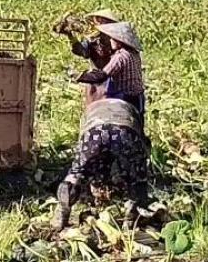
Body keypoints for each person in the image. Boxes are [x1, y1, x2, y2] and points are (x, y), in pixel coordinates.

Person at [52, 93, 149, 230]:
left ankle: (62, 212)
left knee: (76, 174)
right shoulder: (132, 109)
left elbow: (95, 159)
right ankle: (131, 217)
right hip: (125, 131)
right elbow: (142, 145)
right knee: (137, 176)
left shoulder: (91, 108)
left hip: (94, 132)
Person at [72, 20, 146, 121]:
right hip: (138, 98)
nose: (110, 41)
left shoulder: (120, 57)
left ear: (119, 41)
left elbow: (102, 76)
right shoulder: (134, 54)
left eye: (112, 39)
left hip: (125, 97)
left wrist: (80, 76)